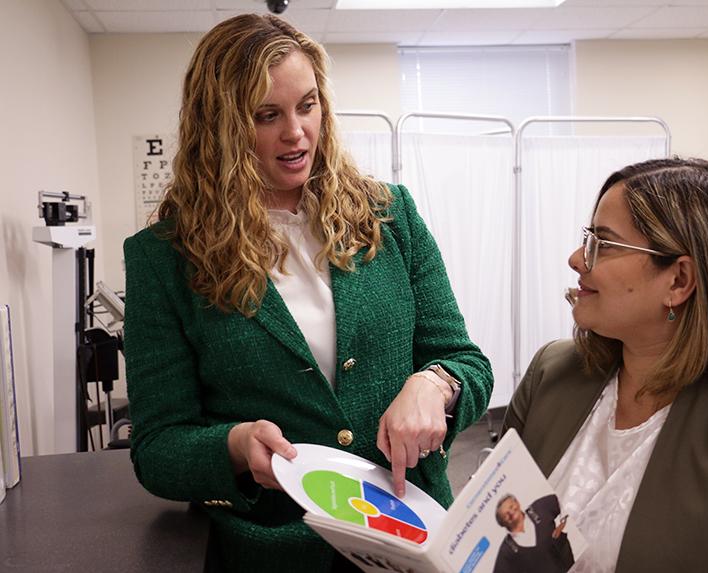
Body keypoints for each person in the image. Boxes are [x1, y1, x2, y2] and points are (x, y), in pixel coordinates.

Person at [122, 13, 493, 573]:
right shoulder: (165, 257)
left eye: (308, 105)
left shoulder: (390, 217)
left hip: (412, 539)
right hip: (276, 551)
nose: (296, 132)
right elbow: (157, 449)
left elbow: (468, 364)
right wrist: (235, 444)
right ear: (220, 127)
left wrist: (434, 384)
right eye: (266, 115)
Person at [503, 157, 708, 572]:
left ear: (679, 280)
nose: (576, 259)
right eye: (587, 238)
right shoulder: (551, 374)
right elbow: (491, 530)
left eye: (602, 244)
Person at [493, 493, 574, 573]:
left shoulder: (538, 508)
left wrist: (562, 523)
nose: (511, 512)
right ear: (502, 523)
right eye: (505, 515)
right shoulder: (506, 551)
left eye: (511, 506)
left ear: (517, 502)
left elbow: (562, 500)